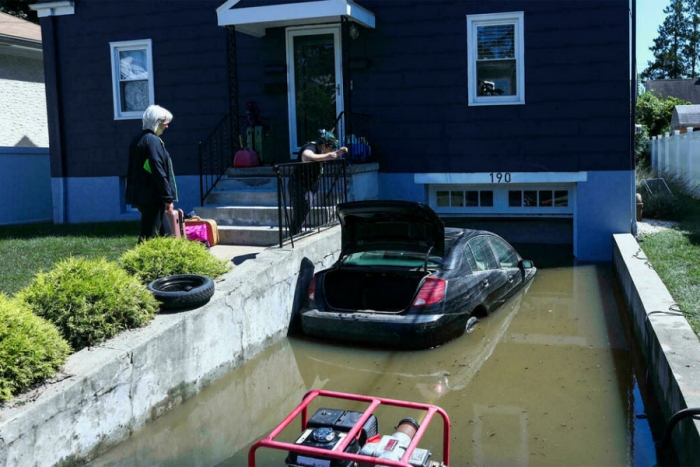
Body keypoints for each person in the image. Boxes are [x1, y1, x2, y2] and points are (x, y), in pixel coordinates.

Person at [125, 105, 178, 242]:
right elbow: (157, 169)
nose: (167, 126)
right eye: (165, 122)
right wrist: (168, 197)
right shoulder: (152, 141)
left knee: (165, 236)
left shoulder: (138, 139)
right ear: (156, 122)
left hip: (142, 195)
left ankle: (170, 262)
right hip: (152, 197)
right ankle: (137, 263)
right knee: (148, 238)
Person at [288, 130, 348, 235]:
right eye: (330, 148)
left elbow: (328, 156)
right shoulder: (310, 147)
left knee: (304, 210)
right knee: (301, 211)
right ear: (324, 146)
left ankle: (295, 233)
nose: (331, 150)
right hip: (299, 185)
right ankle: (292, 236)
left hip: (308, 186)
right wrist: (326, 156)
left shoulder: (321, 151)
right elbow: (306, 157)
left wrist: (338, 153)